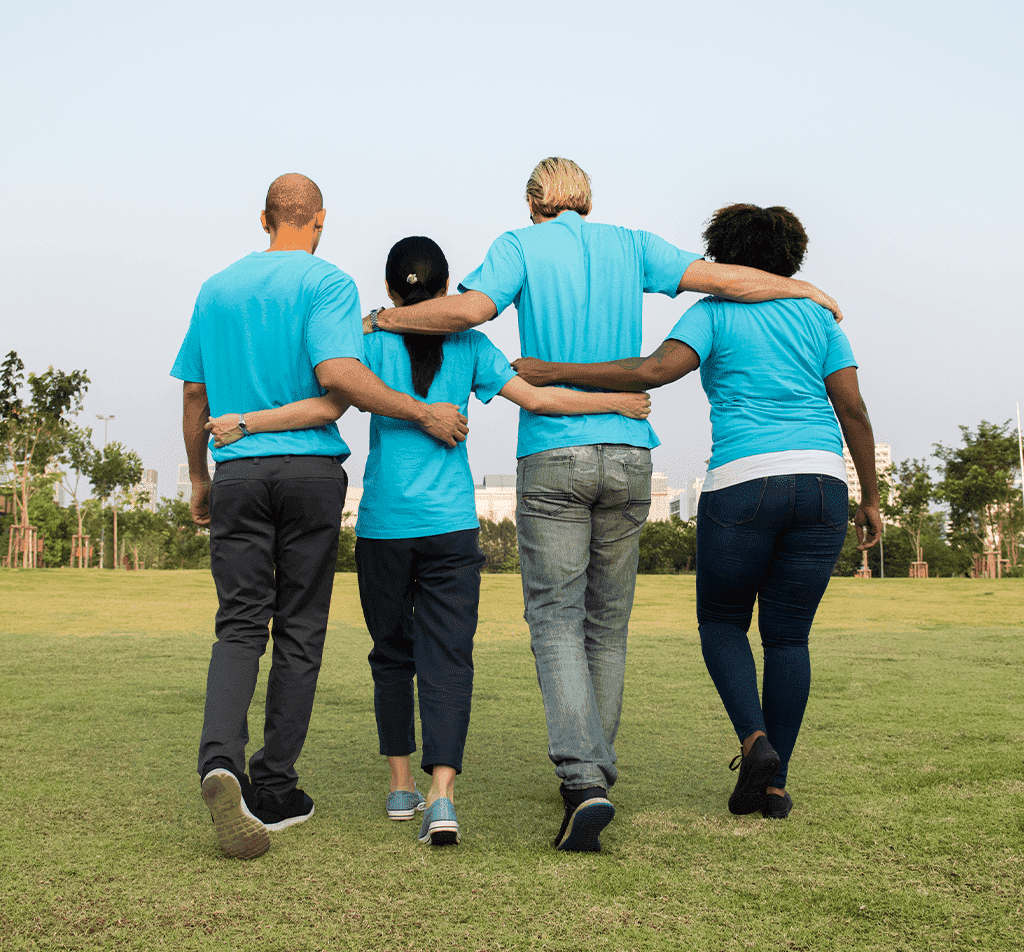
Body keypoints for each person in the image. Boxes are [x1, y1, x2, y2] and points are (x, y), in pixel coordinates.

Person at [357, 159, 845, 851]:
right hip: (630, 454)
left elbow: (468, 312)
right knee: (607, 625)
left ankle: (584, 781)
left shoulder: (519, 247)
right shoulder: (635, 244)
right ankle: (594, 776)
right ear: (588, 198)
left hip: (554, 455)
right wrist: (806, 290)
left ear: (534, 201)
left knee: (555, 619)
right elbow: (726, 278)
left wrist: (385, 316)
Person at [206, 235, 651, 846]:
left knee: (391, 656)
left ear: (391, 290)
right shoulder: (470, 344)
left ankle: (399, 787)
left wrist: (247, 420)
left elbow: (325, 399)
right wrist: (618, 404)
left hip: (384, 526)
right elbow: (540, 399)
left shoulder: (363, 341)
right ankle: (442, 798)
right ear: (446, 291)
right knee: (449, 658)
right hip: (451, 528)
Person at [512, 202, 882, 820]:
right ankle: (773, 784)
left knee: (722, 623)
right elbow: (854, 410)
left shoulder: (713, 312)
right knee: (789, 637)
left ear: (725, 257)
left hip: (744, 482)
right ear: (792, 258)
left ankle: (754, 741)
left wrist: (556, 370)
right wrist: (869, 496)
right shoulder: (819, 317)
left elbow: (653, 371)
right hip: (822, 483)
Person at [171, 175, 468, 860]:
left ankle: (221, 762)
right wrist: (423, 411)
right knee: (300, 629)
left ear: (265, 217)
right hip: (309, 474)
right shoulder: (328, 284)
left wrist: (198, 477)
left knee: (239, 624)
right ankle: (275, 789)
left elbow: (194, 394)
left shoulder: (216, 288)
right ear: (320, 219)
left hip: (239, 471)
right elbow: (338, 377)